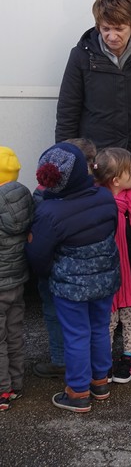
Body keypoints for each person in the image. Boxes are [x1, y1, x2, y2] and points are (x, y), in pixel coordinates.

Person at [25, 143, 120, 413]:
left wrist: (50, 271)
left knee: (77, 335)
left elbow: (38, 255)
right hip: (105, 280)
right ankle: (100, 382)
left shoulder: (49, 212)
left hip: (71, 287)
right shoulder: (104, 197)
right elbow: (111, 229)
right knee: (99, 328)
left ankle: (78, 392)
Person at [54, 0, 131, 184]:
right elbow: (68, 113)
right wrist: (67, 163)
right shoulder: (81, 56)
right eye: (106, 29)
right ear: (98, 27)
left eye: (119, 29)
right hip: (96, 165)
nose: (112, 36)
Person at [32, 137, 97, 380]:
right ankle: (94, 362)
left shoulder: (43, 195)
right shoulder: (96, 192)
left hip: (55, 269)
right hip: (91, 269)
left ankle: (61, 360)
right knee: (91, 317)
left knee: (54, 312)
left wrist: (41, 268)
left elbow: (39, 240)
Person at [92, 147, 131, 385]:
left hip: (129, 269)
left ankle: (128, 357)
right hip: (107, 271)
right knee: (108, 319)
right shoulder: (98, 203)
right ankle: (104, 361)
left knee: (130, 315)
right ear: (116, 180)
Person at [0, 147, 34, 410]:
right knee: (14, 333)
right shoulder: (25, 196)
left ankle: (2, 390)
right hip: (18, 280)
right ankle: (17, 383)